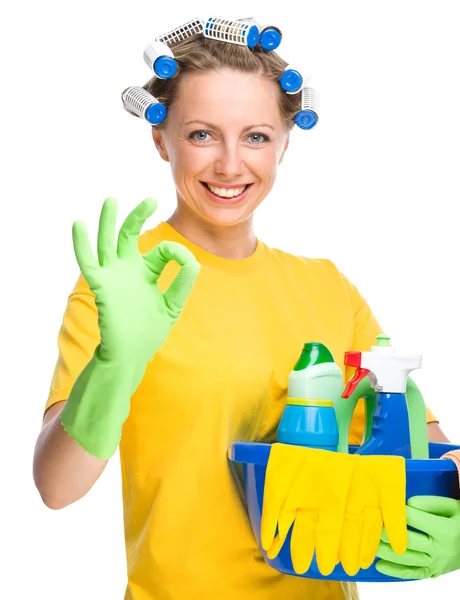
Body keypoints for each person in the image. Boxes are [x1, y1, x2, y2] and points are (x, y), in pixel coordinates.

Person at [33, 25, 450, 600]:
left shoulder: (327, 288)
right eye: (202, 133)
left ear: (284, 143)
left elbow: (424, 444)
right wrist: (114, 365)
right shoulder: (123, 285)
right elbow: (56, 489)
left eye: (255, 136)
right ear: (161, 138)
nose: (230, 165)